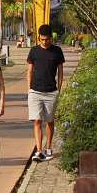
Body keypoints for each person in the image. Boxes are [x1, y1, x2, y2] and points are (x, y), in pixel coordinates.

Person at [27, 24, 65, 162]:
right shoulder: (34, 51)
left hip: (51, 92)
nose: (44, 42)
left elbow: (60, 71)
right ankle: (38, 150)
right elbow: (29, 71)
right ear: (39, 38)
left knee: (49, 121)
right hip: (35, 91)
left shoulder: (57, 51)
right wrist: (29, 89)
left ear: (51, 38)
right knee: (37, 120)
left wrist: (59, 89)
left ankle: (48, 147)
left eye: (47, 39)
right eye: (42, 39)